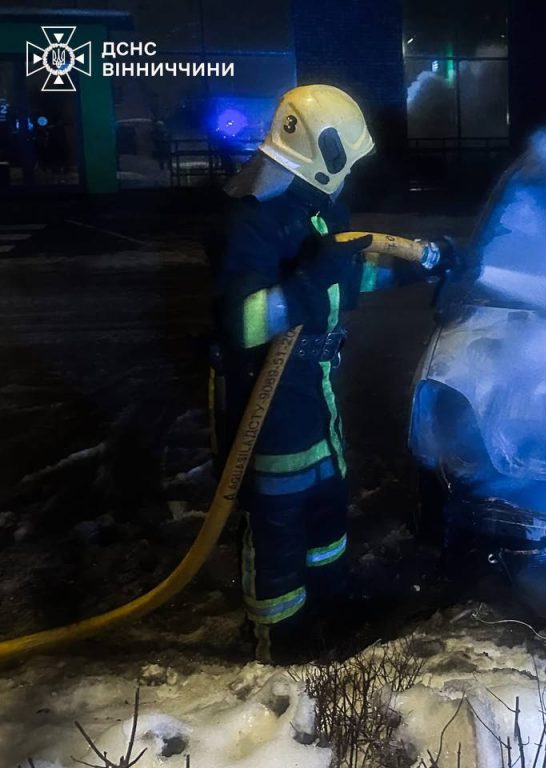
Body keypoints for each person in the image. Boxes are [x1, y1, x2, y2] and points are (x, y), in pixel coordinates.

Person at [207, 84, 447, 664]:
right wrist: (309, 284)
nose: (353, 170)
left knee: (325, 496)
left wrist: (418, 273)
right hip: (269, 392)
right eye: (350, 158)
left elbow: (345, 278)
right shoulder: (253, 221)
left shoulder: (314, 207)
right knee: (280, 515)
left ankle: (330, 604)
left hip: (313, 382)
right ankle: (280, 637)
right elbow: (243, 321)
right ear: (325, 153)